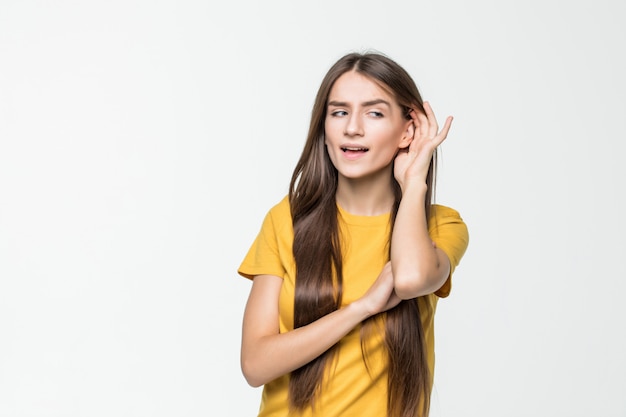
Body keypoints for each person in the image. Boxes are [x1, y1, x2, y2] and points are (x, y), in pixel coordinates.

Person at [237, 51, 469, 417]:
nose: (352, 128)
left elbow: (409, 279)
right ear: (324, 125)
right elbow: (255, 364)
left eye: (374, 113)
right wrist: (361, 308)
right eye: (339, 112)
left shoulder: (440, 227)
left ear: (408, 130)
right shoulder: (287, 220)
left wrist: (413, 184)